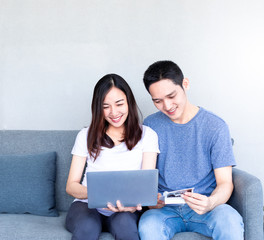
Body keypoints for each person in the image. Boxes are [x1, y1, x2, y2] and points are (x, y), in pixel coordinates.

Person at [138, 60, 244, 240]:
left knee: (230, 220)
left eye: (172, 96)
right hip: (163, 211)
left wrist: (210, 202)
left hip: (206, 209)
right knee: (148, 226)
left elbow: (225, 183)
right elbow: (144, 177)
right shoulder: (150, 126)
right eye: (158, 101)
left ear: (185, 84)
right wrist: (150, 200)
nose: (167, 106)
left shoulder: (215, 126)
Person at [65, 73, 160, 240]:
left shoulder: (148, 135)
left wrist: (131, 205)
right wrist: (99, 194)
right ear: (98, 108)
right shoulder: (85, 136)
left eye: (119, 104)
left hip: (125, 209)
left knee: (125, 228)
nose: (114, 112)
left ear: (129, 102)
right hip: (86, 206)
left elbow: (145, 187)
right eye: (106, 106)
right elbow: (71, 186)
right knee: (88, 227)